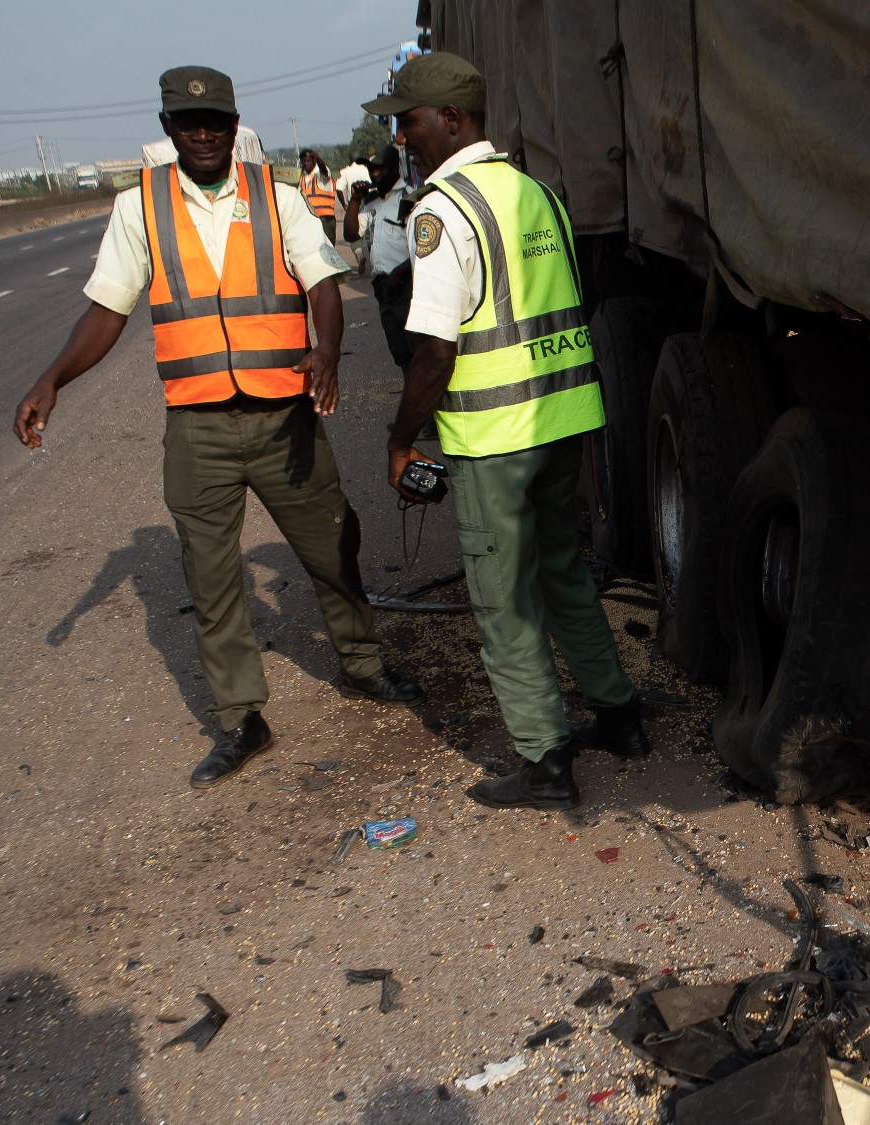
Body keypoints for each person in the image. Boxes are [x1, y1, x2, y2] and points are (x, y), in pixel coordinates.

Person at [11, 66, 425, 790]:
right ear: (168, 128)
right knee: (211, 575)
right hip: (197, 427)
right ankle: (242, 718)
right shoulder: (138, 208)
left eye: (215, 121)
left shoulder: (279, 197)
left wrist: (326, 348)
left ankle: (362, 664)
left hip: (282, 417)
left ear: (235, 125)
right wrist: (53, 379)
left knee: (333, 543)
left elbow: (323, 282)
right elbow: (108, 307)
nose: (202, 134)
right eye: (187, 123)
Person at [363, 53, 647, 812]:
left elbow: (434, 352)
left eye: (408, 118)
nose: (400, 133)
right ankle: (620, 716)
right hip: (564, 423)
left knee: (505, 601)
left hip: (496, 438)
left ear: (451, 120)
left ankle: (546, 764)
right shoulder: (537, 194)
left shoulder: (441, 211)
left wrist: (400, 440)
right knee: (561, 573)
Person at [344, 145, 416, 368]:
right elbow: (351, 234)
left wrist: (400, 272)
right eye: (371, 169)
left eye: (379, 169)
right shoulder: (372, 202)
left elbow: (423, 246)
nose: (374, 174)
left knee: (417, 352)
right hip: (384, 289)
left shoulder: (409, 197)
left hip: (407, 286)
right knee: (400, 353)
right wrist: (355, 201)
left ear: (395, 168)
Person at [333, 157, 372, 272]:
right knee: (370, 231)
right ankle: (374, 259)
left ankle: (360, 255)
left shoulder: (346, 171)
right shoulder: (367, 169)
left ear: (349, 161)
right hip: (371, 201)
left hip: (356, 203)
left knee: (355, 233)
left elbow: (339, 189)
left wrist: (344, 204)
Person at [298, 149, 338, 244]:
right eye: (303, 161)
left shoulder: (321, 176)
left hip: (324, 219)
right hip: (308, 219)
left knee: (328, 248)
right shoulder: (301, 179)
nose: (306, 163)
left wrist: (318, 159)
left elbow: (324, 170)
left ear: (314, 161)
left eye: (308, 160)